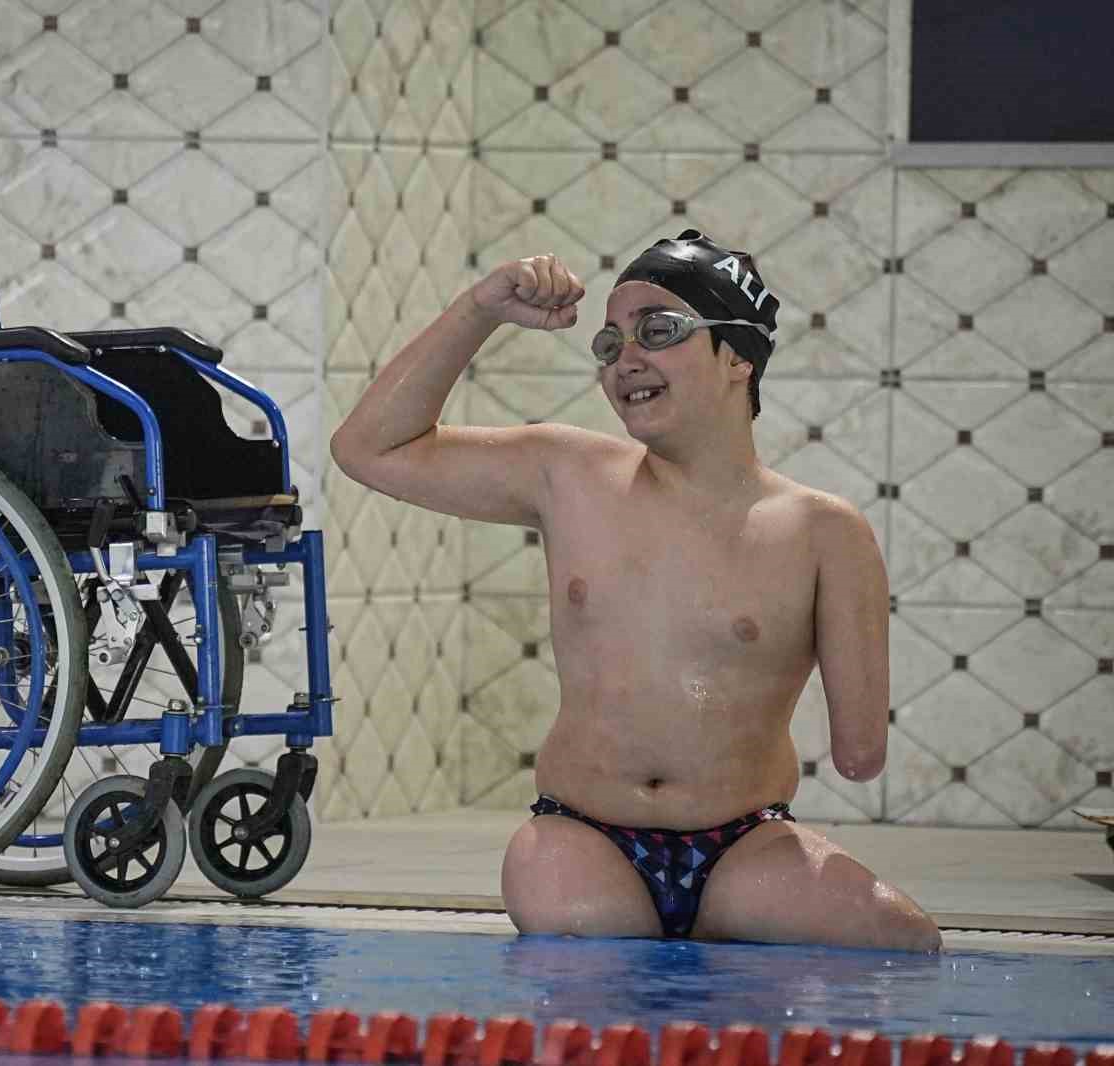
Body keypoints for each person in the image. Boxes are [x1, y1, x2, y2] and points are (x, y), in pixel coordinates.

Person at [329, 230, 941, 951]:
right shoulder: (567, 473)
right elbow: (366, 448)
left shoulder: (824, 531)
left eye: (659, 331)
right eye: (610, 343)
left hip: (745, 848)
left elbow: (860, 755)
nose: (626, 360)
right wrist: (481, 309)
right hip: (580, 840)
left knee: (905, 944)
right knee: (597, 953)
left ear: (738, 356)